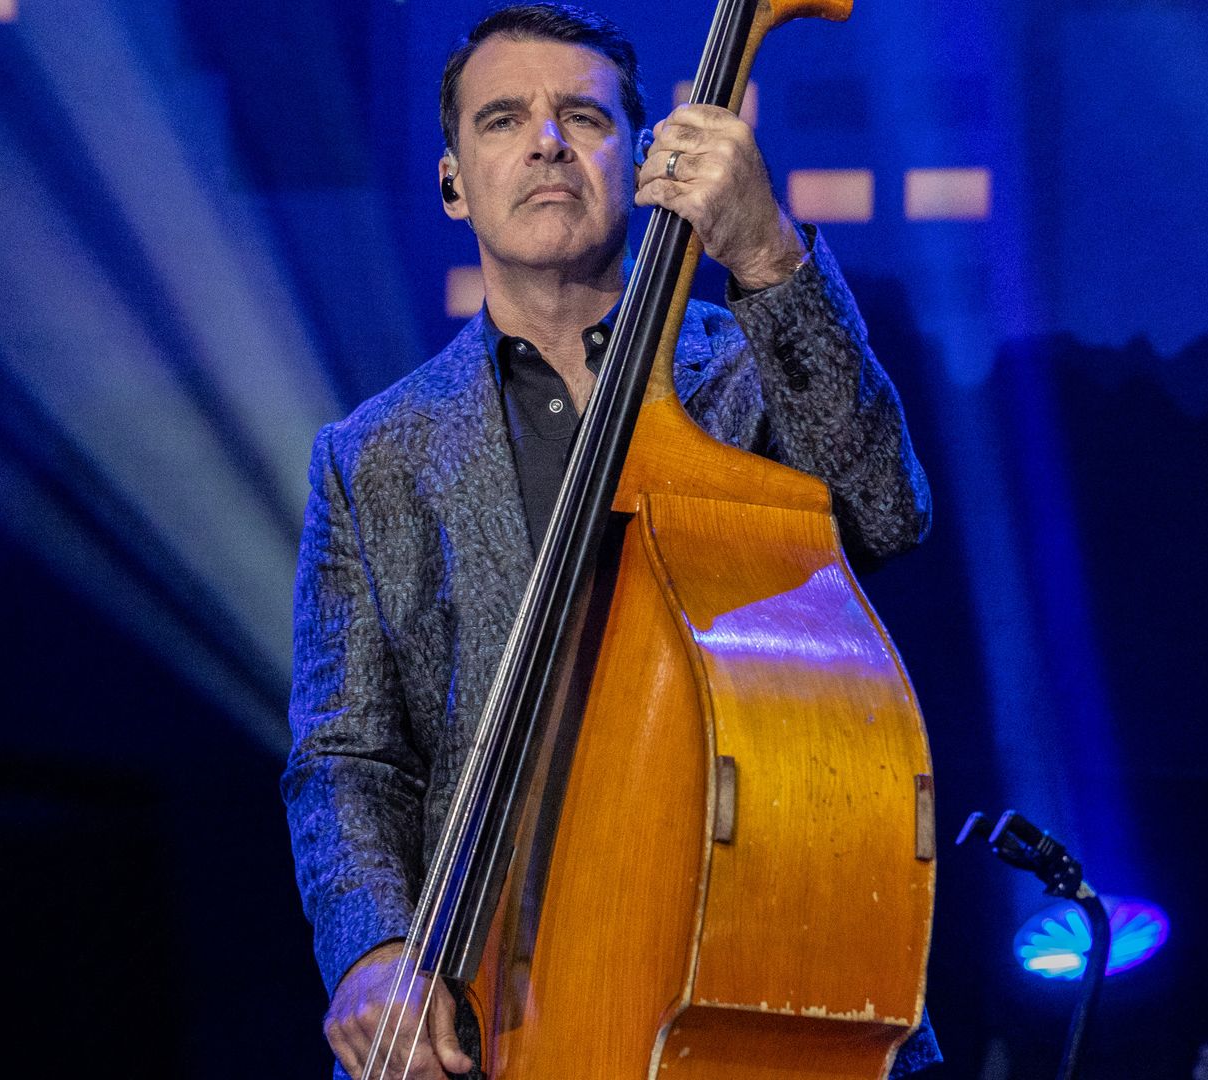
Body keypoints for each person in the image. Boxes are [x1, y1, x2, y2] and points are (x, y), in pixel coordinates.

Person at [282, 5, 936, 1078]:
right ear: (453, 183)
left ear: (641, 162)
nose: (546, 141)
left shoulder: (757, 363)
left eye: (582, 117)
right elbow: (346, 756)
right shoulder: (371, 457)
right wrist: (374, 951)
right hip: (507, 1009)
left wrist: (765, 249)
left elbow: (886, 511)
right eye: (503, 120)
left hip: (760, 958)